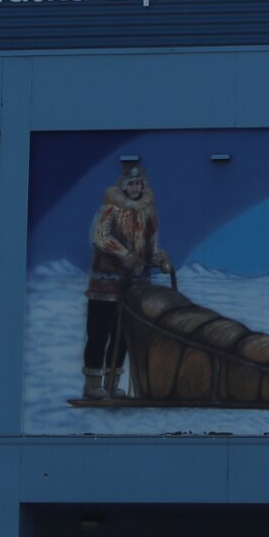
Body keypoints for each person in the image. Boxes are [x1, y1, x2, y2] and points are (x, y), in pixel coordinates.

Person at [83, 157, 172, 401]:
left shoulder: (147, 212)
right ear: (123, 186)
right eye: (130, 184)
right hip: (106, 282)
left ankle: (112, 383)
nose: (134, 188)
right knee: (99, 333)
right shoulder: (110, 209)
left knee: (122, 335)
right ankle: (93, 383)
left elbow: (151, 243)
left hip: (134, 284)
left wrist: (159, 259)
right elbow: (102, 238)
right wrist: (126, 255)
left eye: (138, 183)